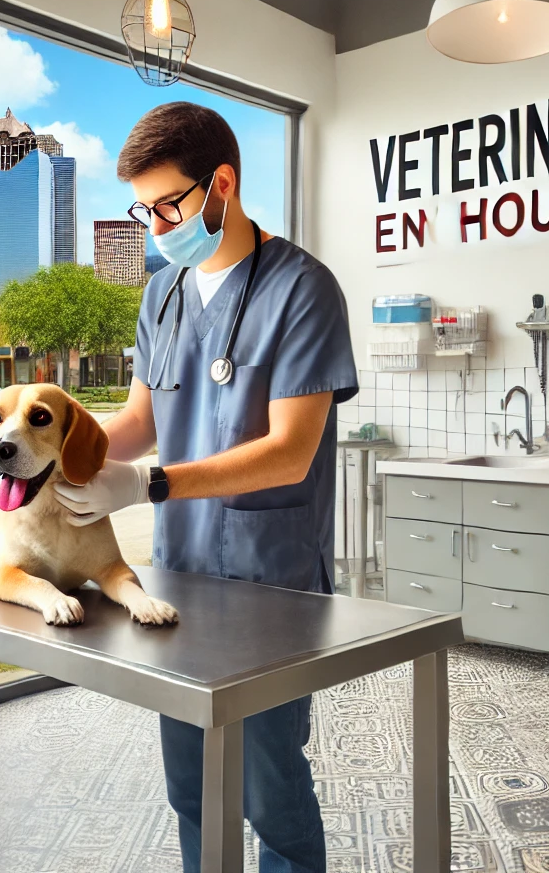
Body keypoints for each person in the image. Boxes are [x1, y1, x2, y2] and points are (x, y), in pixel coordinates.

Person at [55, 101, 358, 873]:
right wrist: (49, 452)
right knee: (191, 786)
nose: (156, 226)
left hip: (274, 580)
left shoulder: (304, 289)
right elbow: (134, 424)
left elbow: (290, 452)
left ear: (221, 184)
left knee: (270, 790)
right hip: (181, 579)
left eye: (168, 205)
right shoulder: (162, 292)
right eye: (143, 209)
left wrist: (148, 485)